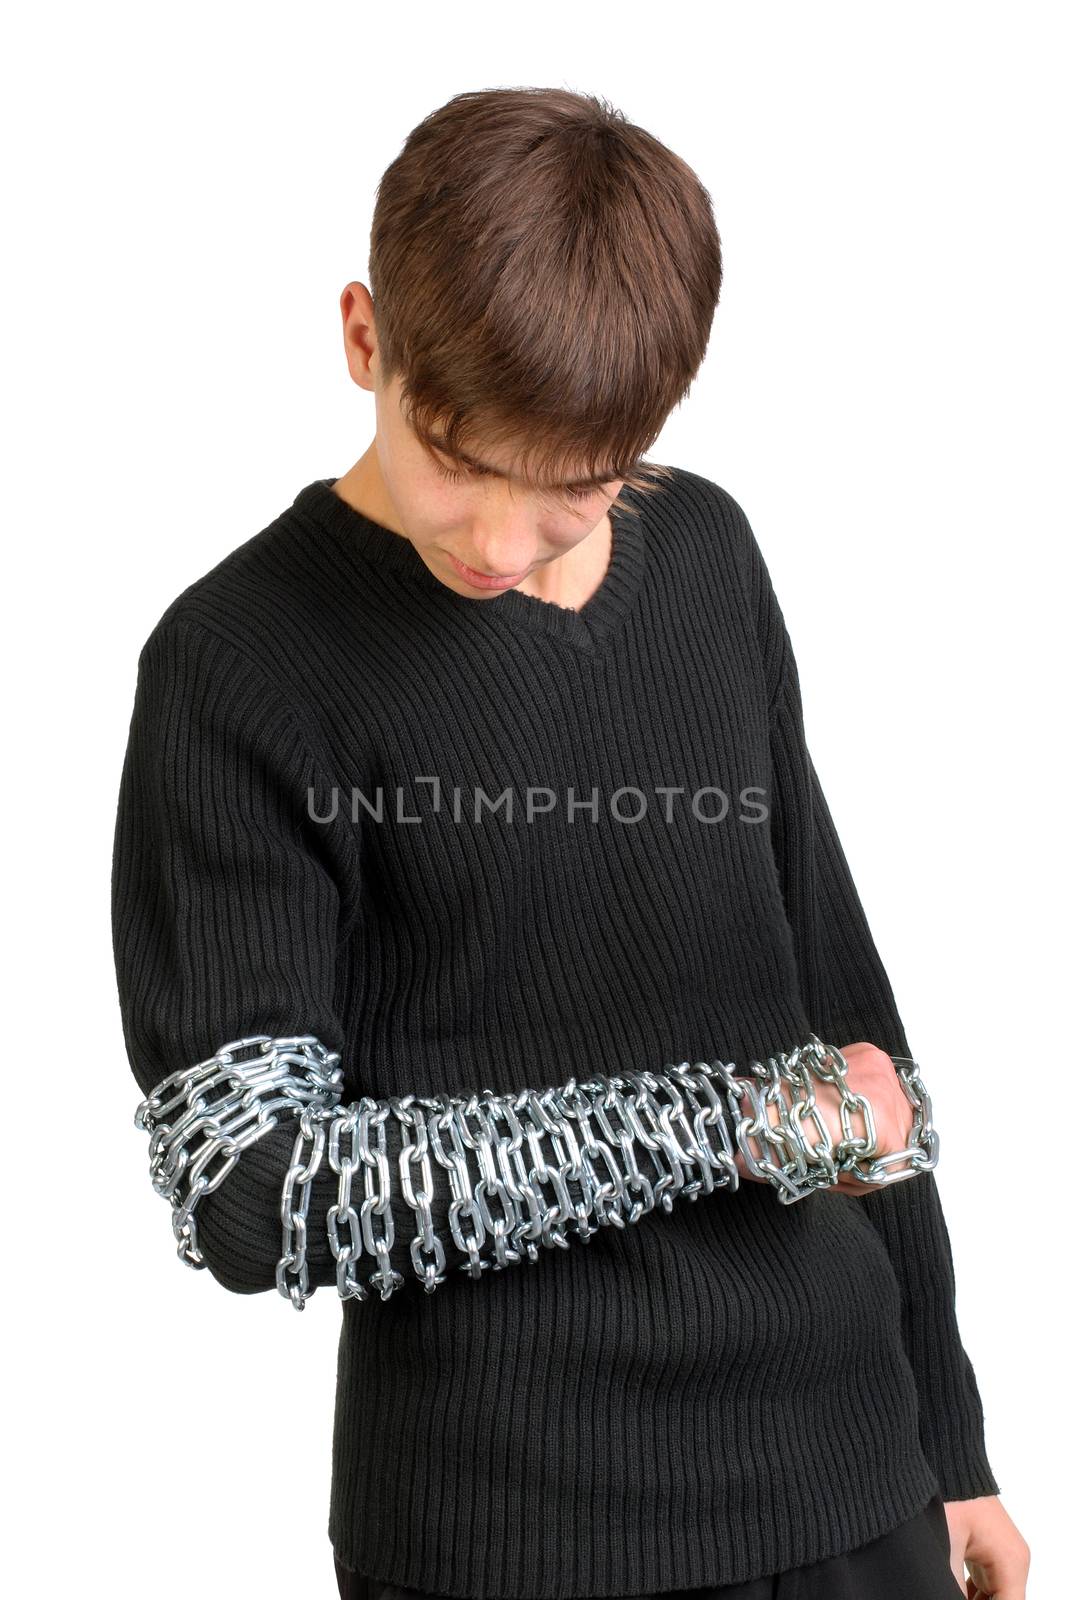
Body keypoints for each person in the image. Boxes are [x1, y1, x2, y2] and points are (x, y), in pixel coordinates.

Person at [111, 87, 1029, 1600]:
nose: (493, 539)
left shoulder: (708, 552)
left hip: (850, 1470)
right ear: (365, 341)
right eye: (456, 458)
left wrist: (952, 1430)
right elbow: (253, 1191)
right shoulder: (240, 665)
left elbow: (843, 1010)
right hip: (515, 1534)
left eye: (575, 491)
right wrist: (742, 1124)